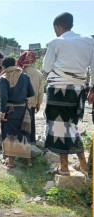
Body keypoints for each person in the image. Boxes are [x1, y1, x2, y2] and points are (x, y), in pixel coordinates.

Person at [42, 12, 94, 176]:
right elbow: (93, 67)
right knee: (72, 126)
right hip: (78, 90)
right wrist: (92, 88)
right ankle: (83, 166)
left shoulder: (56, 42)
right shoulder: (89, 41)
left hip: (58, 89)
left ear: (57, 27)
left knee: (59, 128)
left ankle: (64, 167)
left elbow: (46, 67)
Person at [0, 57, 35, 168]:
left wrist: (2, 111)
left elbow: (4, 97)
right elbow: (31, 93)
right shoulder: (24, 76)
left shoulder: (3, 78)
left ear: (4, 66)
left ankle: (10, 162)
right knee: (25, 132)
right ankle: (28, 161)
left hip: (10, 110)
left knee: (10, 134)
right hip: (24, 110)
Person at [16, 50, 44, 144]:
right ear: (33, 60)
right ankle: (32, 141)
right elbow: (41, 91)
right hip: (32, 101)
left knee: (19, 121)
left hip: (19, 101)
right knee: (31, 121)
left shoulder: (18, 72)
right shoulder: (39, 74)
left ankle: (21, 142)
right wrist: (39, 103)